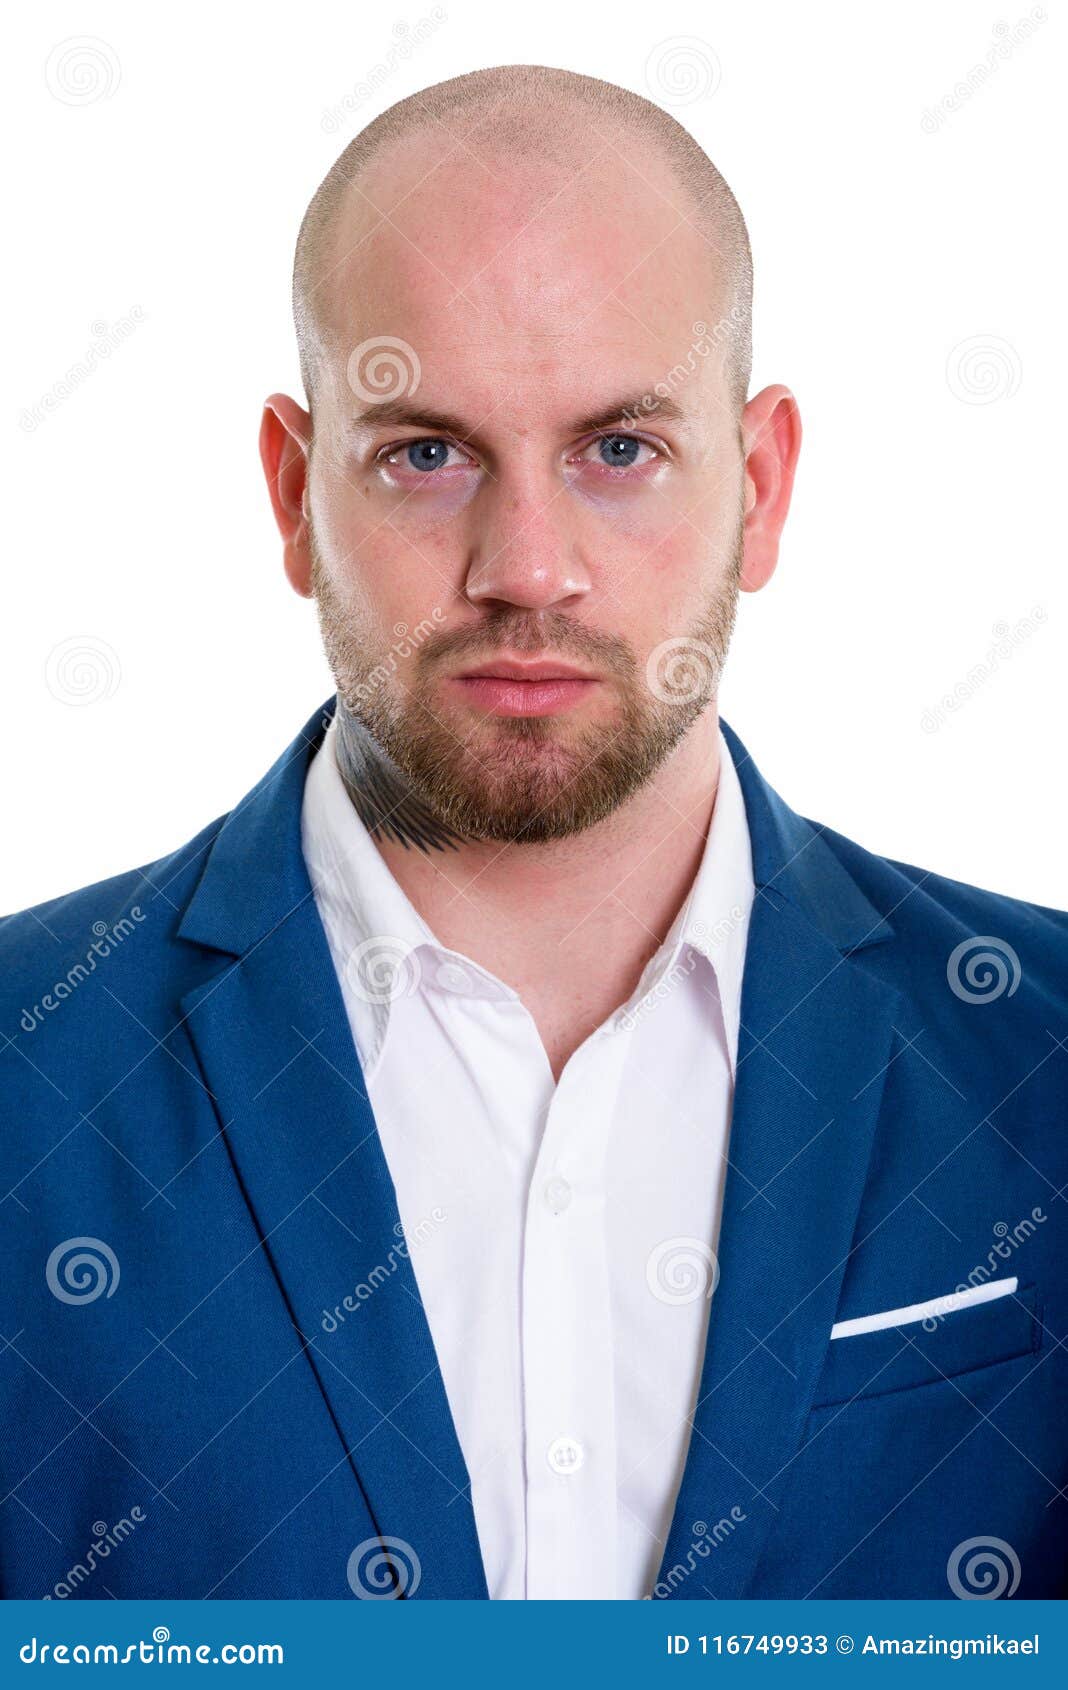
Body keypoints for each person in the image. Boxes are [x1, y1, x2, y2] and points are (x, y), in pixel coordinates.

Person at [2, 64, 1065, 1603]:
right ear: (297, 495)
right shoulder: (31, 1083)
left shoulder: (1034, 1060)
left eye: (617, 449)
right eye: (427, 453)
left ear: (759, 488)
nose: (528, 567)